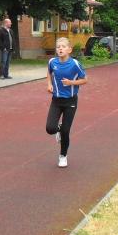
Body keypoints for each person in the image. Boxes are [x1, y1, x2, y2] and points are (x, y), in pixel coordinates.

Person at [45, 37, 88, 168]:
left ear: (69, 49)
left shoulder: (75, 64)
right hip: (56, 101)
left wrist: (71, 83)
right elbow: (49, 73)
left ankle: (63, 156)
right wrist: (49, 84)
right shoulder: (52, 62)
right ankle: (58, 129)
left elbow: (85, 79)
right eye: (58, 47)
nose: (60, 49)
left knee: (66, 131)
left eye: (63, 47)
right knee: (50, 129)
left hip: (70, 101)